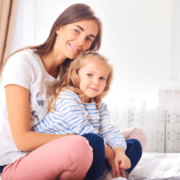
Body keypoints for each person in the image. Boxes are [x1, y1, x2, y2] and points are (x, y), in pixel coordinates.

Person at [0, 3, 147, 180]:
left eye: (89, 38)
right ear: (59, 28)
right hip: (16, 159)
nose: (80, 41)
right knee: (84, 143)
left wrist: (116, 149)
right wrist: (79, 140)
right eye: (77, 30)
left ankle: (105, 173)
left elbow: (93, 118)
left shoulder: (71, 73)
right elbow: (22, 140)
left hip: (61, 148)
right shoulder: (23, 63)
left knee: (135, 137)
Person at [35, 51, 142, 179]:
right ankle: (102, 175)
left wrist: (119, 151)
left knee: (134, 145)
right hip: (54, 153)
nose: (96, 82)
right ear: (76, 75)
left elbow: (109, 129)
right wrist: (110, 154)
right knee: (93, 139)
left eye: (102, 78)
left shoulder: (100, 106)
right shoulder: (67, 96)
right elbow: (81, 128)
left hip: (85, 152)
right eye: (90, 75)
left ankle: (111, 174)